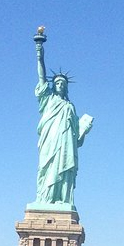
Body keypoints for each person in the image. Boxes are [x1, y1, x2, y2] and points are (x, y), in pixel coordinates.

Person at [34, 32, 93, 206]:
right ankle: (45, 199)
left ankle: (62, 199)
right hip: (50, 139)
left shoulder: (70, 107)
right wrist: (39, 54)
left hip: (66, 142)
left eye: (63, 84)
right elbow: (41, 77)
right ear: (54, 86)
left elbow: (77, 140)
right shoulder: (48, 99)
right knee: (47, 167)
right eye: (57, 83)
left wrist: (85, 131)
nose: (60, 85)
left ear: (66, 88)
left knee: (64, 167)